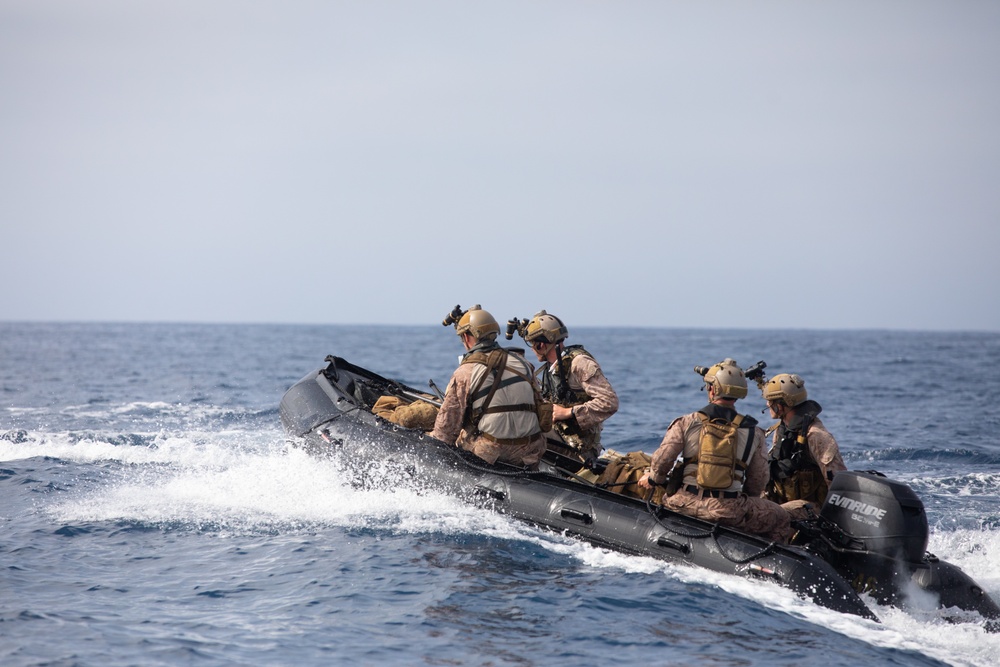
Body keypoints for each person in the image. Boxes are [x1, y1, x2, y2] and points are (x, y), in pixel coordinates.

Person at [638, 359, 793, 544]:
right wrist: (745, 500)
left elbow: (663, 460)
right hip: (728, 511)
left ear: (713, 389)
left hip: (682, 504)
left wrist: (654, 478)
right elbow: (758, 479)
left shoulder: (686, 422)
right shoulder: (755, 433)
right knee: (782, 517)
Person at [430, 305, 547, 468]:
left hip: (491, 454)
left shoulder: (465, 372)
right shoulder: (524, 364)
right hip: (530, 452)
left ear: (466, 336)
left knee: (459, 437)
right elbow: (542, 410)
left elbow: (445, 431)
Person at [517, 310, 619, 466]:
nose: (532, 349)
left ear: (541, 345)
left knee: (525, 430)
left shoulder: (579, 363)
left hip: (579, 450)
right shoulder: (552, 368)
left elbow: (609, 401)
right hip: (560, 439)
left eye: (533, 344)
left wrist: (568, 412)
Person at [761, 373, 847, 510]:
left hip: (813, 510)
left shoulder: (817, 436)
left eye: (771, 401)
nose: (767, 404)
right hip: (786, 502)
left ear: (782, 405)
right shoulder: (782, 431)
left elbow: (838, 484)